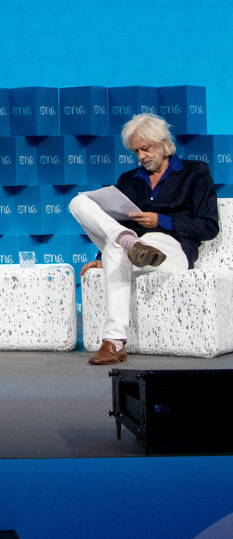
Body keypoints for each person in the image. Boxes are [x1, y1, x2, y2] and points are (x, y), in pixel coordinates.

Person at [70, 113, 220, 366]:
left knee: (119, 248)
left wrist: (161, 220)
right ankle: (127, 241)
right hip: (130, 244)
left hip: (172, 247)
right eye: (136, 151)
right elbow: (113, 220)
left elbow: (209, 226)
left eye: (145, 149)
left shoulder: (195, 172)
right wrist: (101, 257)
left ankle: (114, 341)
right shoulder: (129, 179)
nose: (140, 156)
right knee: (78, 202)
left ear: (162, 143)